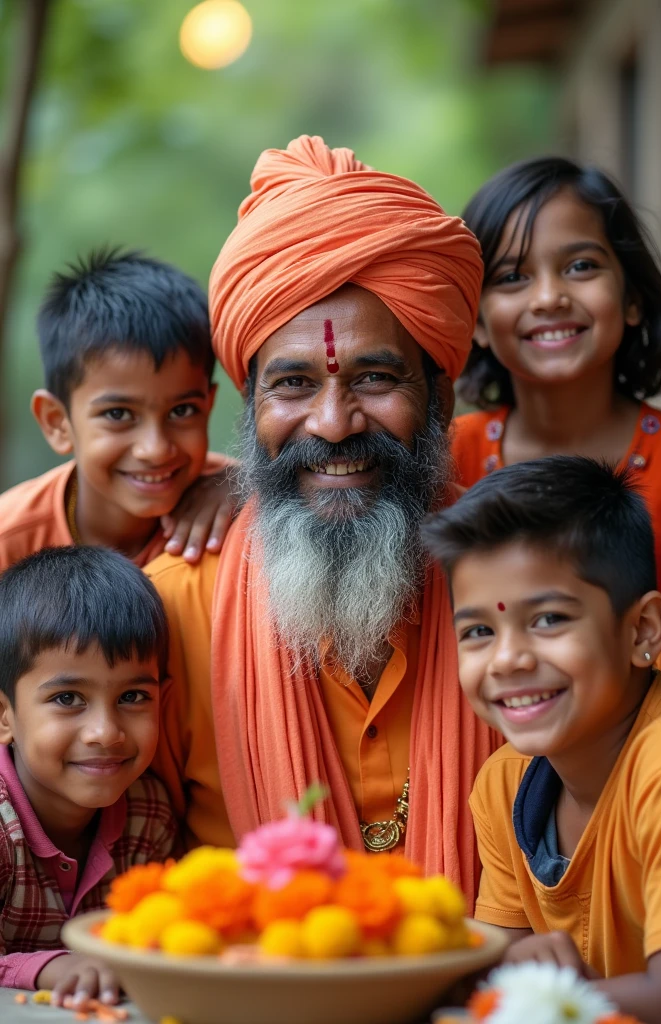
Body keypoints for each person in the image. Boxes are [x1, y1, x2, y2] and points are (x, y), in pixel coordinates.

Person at [148, 134, 500, 910]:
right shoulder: (173, 610)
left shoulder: (528, 585)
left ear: (440, 401)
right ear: (251, 409)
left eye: (374, 378)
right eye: (294, 385)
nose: (334, 424)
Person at [422, 456, 661, 1024]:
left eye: (548, 620)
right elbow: (493, 966)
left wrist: (534, 998)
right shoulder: (505, 784)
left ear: (642, 630)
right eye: (478, 631)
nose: (509, 658)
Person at [451, 157, 661, 636]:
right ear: (475, 320)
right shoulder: (449, 457)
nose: (548, 298)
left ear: (632, 299)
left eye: (581, 266)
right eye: (512, 277)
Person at [0, 545, 175, 1008]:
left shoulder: (148, 814)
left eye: (133, 696)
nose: (105, 733)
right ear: (4, 714)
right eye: (67, 699)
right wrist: (44, 966)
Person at [0, 248, 234, 570]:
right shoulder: (10, 543)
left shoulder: (234, 502)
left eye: (182, 411)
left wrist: (249, 488)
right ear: (57, 422)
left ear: (208, 407)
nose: (155, 450)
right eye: (118, 414)